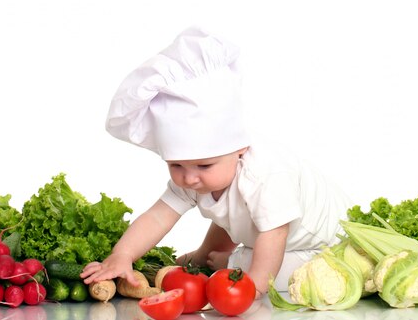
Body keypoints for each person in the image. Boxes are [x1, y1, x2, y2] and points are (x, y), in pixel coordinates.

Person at [81, 27, 352, 296]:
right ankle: (209, 256)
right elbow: (158, 216)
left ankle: (229, 262)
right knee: (229, 209)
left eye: (204, 166)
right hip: (268, 232)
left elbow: (274, 234)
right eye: (176, 165)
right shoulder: (201, 170)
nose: (189, 178)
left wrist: (253, 288)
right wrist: (122, 254)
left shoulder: (265, 174)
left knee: (273, 274)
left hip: (324, 243)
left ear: (240, 149)